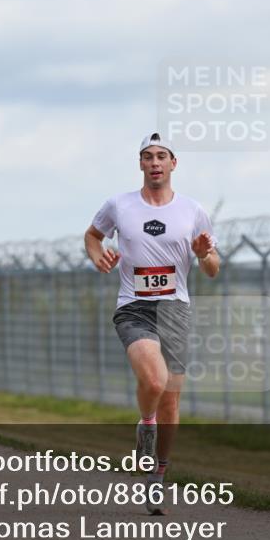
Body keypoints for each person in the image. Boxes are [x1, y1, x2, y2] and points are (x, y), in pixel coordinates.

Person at [84, 132, 219, 515]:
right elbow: (93, 236)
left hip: (176, 309)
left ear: (174, 163)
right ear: (140, 164)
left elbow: (212, 269)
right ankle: (146, 423)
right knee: (155, 381)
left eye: (162, 156)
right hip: (134, 307)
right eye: (148, 156)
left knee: (172, 399)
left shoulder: (192, 210)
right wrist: (98, 256)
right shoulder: (119, 205)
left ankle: (158, 477)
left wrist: (204, 253)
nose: (155, 162)